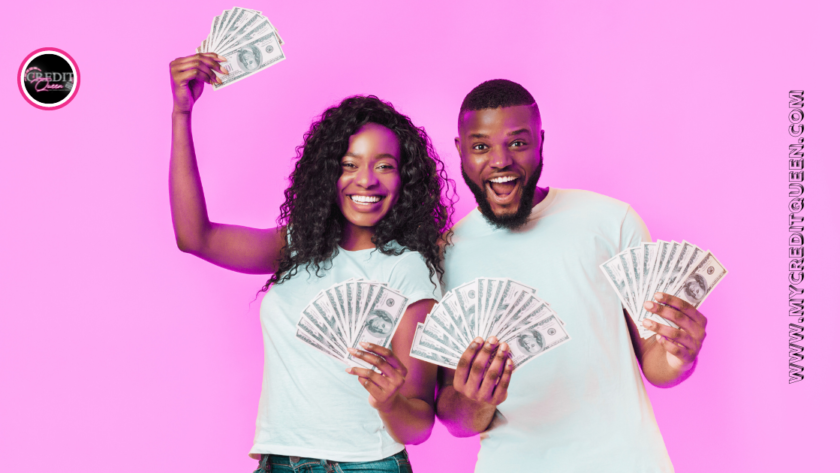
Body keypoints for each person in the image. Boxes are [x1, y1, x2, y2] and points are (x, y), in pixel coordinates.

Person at [168, 52, 452, 473]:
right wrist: (181, 113)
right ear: (327, 175)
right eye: (349, 165)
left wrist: (391, 401)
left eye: (385, 166)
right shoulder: (297, 247)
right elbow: (196, 237)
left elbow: (419, 425)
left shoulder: (409, 270)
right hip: (278, 460)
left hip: (363, 466)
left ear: (405, 178)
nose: (367, 180)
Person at [435, 79, 709, 472]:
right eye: (481, 146)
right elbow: (453, 415)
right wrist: (476, 401)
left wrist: (679, 354)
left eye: (518, 142)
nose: (500, 161)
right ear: (461, 151)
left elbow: (655, 361)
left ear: (540, 142)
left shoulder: (612, 222)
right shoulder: (446, 257)